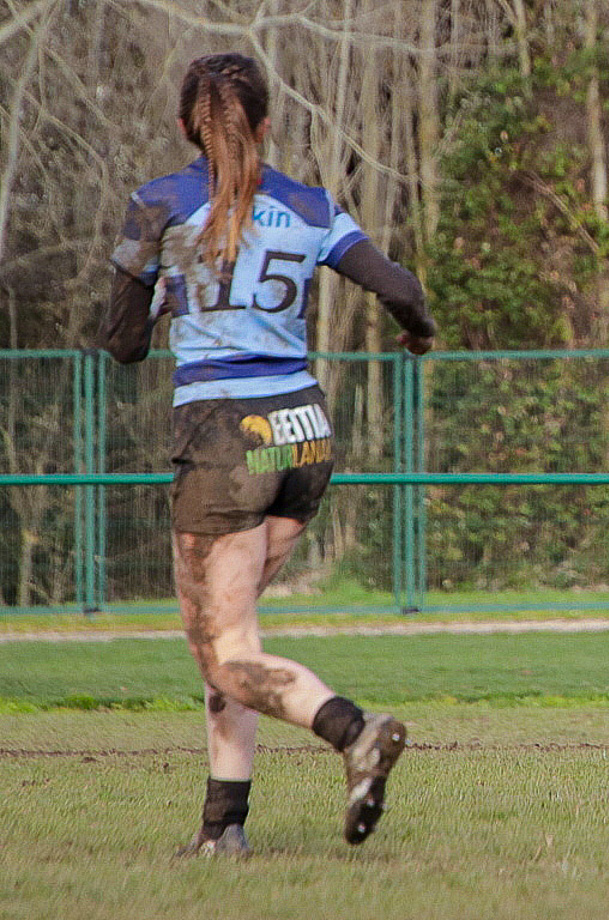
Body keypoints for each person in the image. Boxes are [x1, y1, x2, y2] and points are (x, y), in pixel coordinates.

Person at [101, 53, 437, 856]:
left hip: (222, 434)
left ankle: (355, 731)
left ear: (186, 127)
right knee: (232, 643)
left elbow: (121, 345)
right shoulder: (311, 204)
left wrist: (153, 295)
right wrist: (417, 332)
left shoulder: (162, 204)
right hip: (302, 432)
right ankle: (223, 829)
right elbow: (398, 286)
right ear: (265, 125)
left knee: (223, 653)